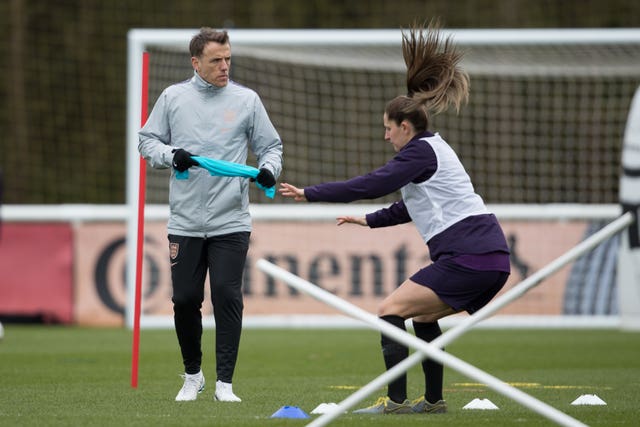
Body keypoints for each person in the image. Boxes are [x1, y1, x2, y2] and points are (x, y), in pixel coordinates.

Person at [279, 22, 510, 415]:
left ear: (405, 126)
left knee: (389, 310)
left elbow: (372, 183)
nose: (386, 137)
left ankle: (396, 403)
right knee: (420, 316)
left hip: (469, 255)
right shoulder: (431, 151)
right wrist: (366, 221)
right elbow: (411, 207)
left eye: (388, 130)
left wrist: (311, 194)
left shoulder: (419, 153)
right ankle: (434, 402)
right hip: (489, 256)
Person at [138, 27, 283, 403]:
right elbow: (147, 141)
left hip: (231, 220)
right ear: (195, 62)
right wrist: (172, 155)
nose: (224, 66)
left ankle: (225, 384)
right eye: (216, 60)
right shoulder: (173, 97)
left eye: (228, 58)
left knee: (226, 296)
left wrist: (269, 168)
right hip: (184, 222)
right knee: (185, 299)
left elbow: (271, 147)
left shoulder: (247, 100)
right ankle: (192, 376)